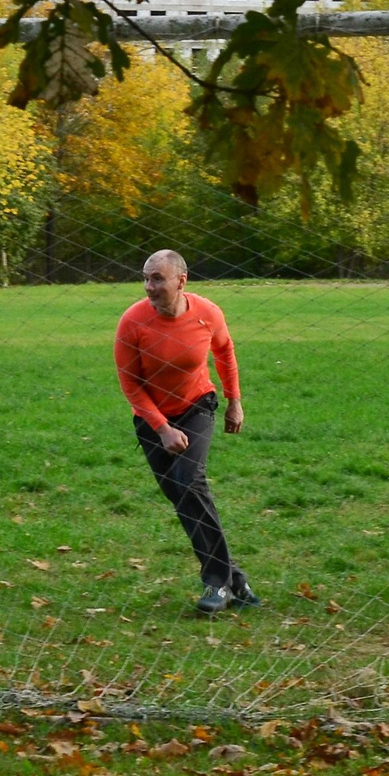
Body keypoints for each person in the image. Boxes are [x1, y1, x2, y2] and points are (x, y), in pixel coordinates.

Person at [114, 250, 260, 613]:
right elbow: (130, 385)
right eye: (146, 278)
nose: (149, 286)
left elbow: (225, 352)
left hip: (196, 406)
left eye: (158, 278)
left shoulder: (207, 314)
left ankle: (216, 585)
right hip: (151, 419)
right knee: (183, 499)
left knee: (189, 482)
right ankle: (234, 580)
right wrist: (162, 429)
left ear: (182, 280)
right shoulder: (132, 322)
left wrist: (234, 400)